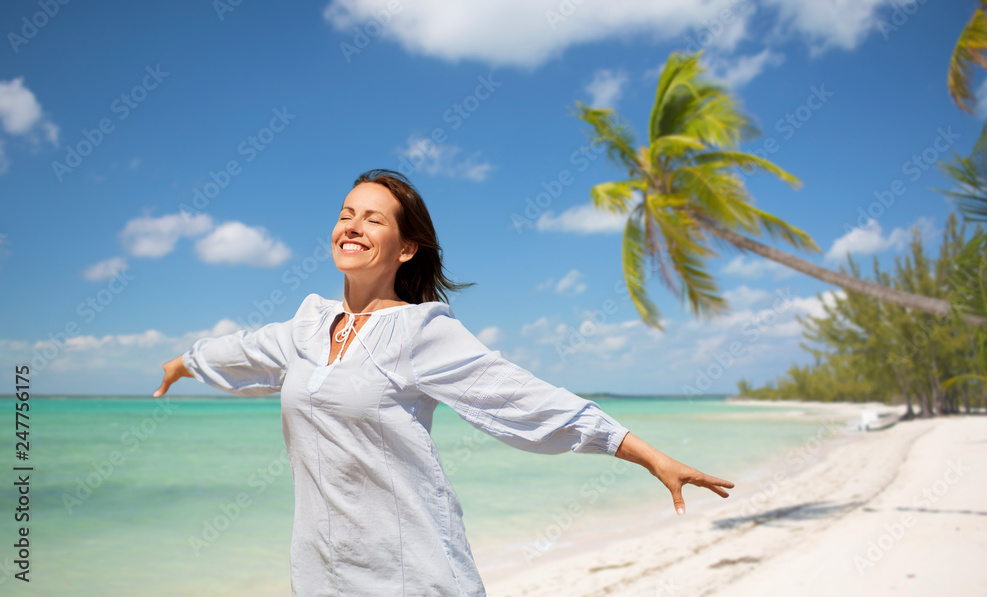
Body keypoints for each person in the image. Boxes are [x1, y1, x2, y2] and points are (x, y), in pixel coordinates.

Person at [153, 169, 734, 596]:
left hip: (413, 573)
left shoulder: (419, 330)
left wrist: (645, 453)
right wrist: (183, 363)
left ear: (406, 248)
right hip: (319, 575)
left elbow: (521, 398)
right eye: (345, 214)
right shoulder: (306, 326)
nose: (352, 226)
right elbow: (240, 352)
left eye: (372, 219)